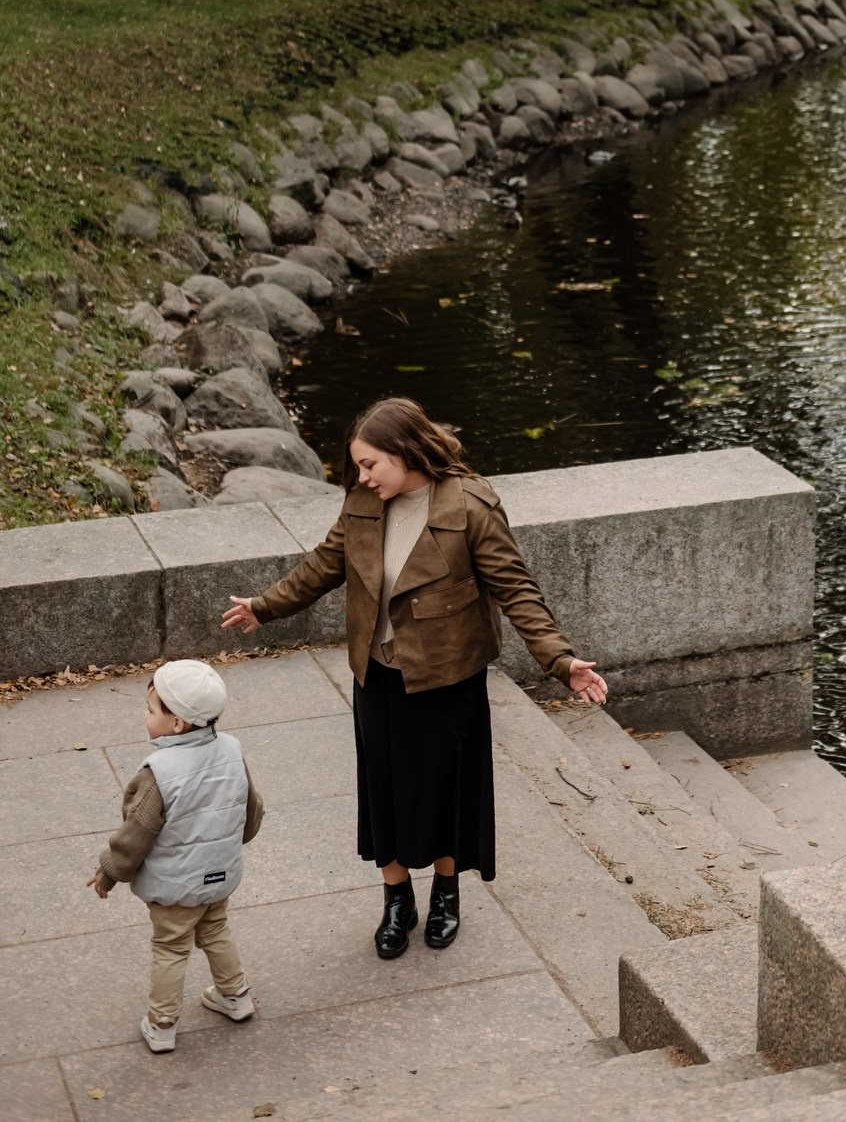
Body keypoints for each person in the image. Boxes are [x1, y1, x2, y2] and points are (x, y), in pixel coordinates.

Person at [222, 397, 607, 960]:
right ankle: (396, 899)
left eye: (370, 464)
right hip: (377, 674)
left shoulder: (471, 506)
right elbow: (323, 565)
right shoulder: (363, 501)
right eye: (358, 466)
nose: (362, 476)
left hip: (447, 677)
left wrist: (561, 661)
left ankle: (446, 893)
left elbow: (516, 590)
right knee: (383, 789)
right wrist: (264, 606)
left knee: (445, 790)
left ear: (404, 453)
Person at [86, 659, 264, 1055]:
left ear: (177, 724)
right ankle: (236, 996)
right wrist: (235, 841)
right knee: (215, 930)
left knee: (171, 948)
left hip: (175, 887)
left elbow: (135, 834)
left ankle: (162, 1024)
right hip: (220, 875)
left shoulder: (159, 772)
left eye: (151, 710)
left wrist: (109, 871)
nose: (145, 715)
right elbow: (250, 809)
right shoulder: (232, 750)